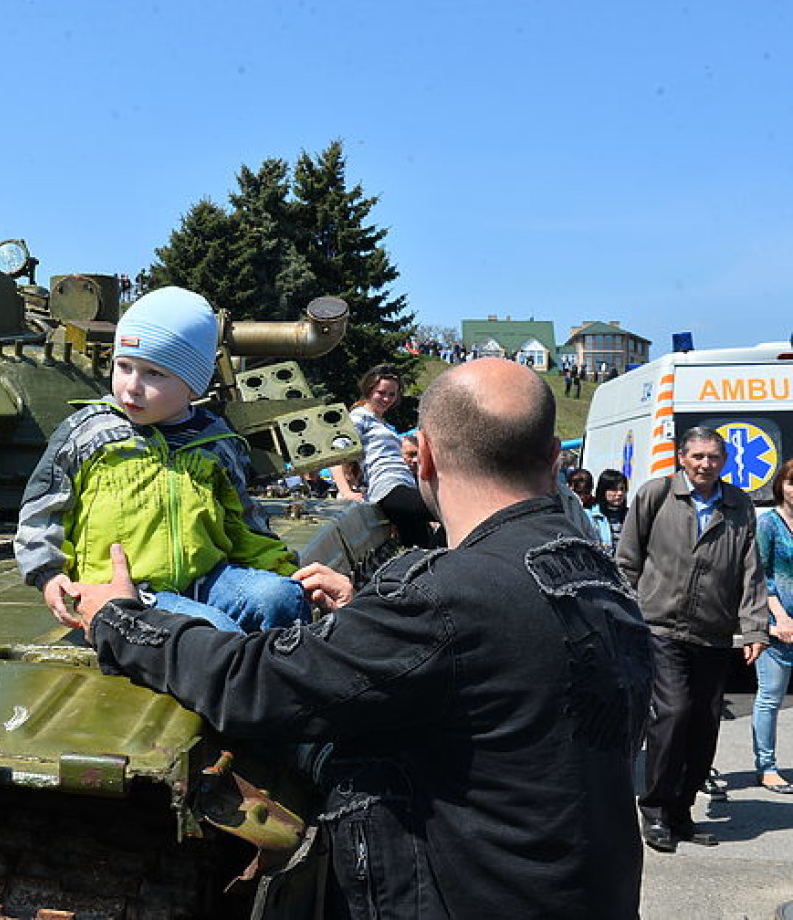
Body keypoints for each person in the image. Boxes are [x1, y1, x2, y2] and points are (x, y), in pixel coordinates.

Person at [71, 358, 652, 919]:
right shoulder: (595, 573)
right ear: (553, 458)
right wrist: (370, 620)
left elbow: (254, 684)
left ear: (421, 457)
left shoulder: (447, 598)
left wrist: (123, 618)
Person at [13, 286, 307, 634]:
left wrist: (288, 571)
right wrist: (48, 573)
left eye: (154, 373)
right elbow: (44, 509)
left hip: (207, 578)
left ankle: (280, 675)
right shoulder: (88, 433)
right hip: (126, 591)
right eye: (124, 366)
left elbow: (243, 524)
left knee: (283, 598)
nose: (132, 386)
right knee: (215, 633)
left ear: (193, 385)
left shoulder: (215, 442)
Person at [617, 427, 768, 853]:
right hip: (660, 627)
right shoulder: (656, 495)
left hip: (714, 633)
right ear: (682, 458)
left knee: (704, 724)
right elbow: (627, 561)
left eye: (714, 457)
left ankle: (682, 812)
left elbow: (749, 571)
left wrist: (754, 626)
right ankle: (656, 809)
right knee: (674, 712)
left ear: (725, 461)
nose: (706, 464)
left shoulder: (739, 504)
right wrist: (622, 618)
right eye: (698, 456)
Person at [328, 364, 436, 547]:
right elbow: (336, 453)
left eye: (392, 394)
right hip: (389, 486)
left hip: (405, 484)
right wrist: (346, 491)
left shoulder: (383, 423)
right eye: (381, 392)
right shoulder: (359, 416)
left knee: (424, 546)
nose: (387, 398)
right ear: (369, 390)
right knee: (445, 509)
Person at [753, 458, 793, 794]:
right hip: (779, 623)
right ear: (781, 486)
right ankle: (766, 766)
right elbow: (760, 576)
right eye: (792, 483)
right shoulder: (768, 524)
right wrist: (779, 617)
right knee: (770, 697)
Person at [587, 468, 630, 553]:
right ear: (603, 491)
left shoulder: (631, 516)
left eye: (622, 489)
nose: (620, 493)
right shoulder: (590, 516)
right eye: (614, 489)